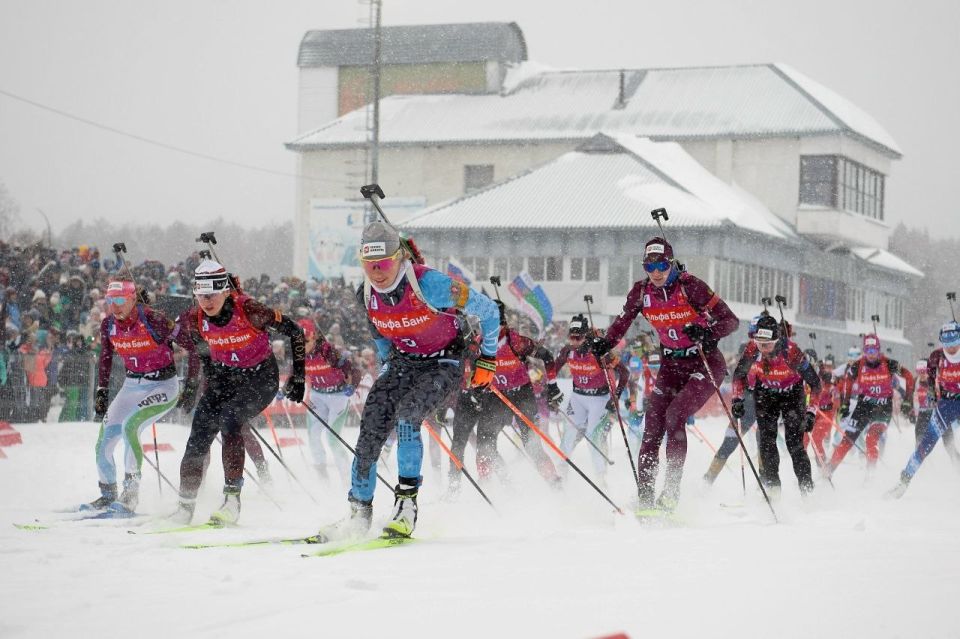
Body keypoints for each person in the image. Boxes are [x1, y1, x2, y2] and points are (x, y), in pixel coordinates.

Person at [590, 237, 739, 511]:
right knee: (652, 427)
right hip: (671, 365)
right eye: (650, 265)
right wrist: (605, 343)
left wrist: (707, 333)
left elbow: (731, 321)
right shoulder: (641, 291)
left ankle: (670, 494)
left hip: (704, 363)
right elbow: (622, 322)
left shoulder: (691, 286)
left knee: (675, 416)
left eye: (661, 264)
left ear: (670, 263)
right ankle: (645, 497)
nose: (656, 271)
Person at [170, 260, 305, 525]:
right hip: (226, 377)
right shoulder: (195, 318)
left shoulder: (250, 309)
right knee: (199, 431)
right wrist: (202, 383)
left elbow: (295, 331)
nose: (206, 302)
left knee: (231, 420)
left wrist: (298, 377)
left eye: (212, 295)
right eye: (201, 295)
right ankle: (185, 507)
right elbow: (202, 351)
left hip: (260, 378)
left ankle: (232, 501)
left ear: (225, 291)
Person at [83, 280, 198, 514]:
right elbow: (105, 357)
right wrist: (102, 391)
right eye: (110, 301)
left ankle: (130, 494)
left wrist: (192, 384)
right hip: (131, 385)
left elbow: (192, 346)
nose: (114, 306)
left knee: (130, 427)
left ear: (133, 299)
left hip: (162, 386)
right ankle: (107, 494)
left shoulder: (153, 318)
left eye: (120, 300)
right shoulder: (108, 325)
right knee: (104, 438)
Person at [473, 301, 564, 486]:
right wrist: (477, 389)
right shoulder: (479, 343)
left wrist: (553, 386)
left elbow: (546, 356)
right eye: (484, 324)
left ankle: (554, 482)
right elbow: (472, 368)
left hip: (522, 395)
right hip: (495, 396)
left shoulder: (516, 341)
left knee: (531, 444)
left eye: (493, 324)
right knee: (484, 441)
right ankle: (488, 482)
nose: (487, 330)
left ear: (502, 323)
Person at [731, 315, 821, 496]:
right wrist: (737, 399)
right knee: (766, 442)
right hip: (766, 393)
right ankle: (773, 490)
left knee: (794, 443)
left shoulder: (791, 352)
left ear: (777, 341)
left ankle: (807, 490)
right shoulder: (752, 349)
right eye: (759, 343)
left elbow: (815, 384)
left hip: (792, 394)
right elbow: (738, 375)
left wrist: (811, 412)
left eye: (768, 344)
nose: (763, 349)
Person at [827, 334, 914, 478]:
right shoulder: (858, 365)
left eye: (874, 351)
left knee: (871, 439)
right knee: (848, 439)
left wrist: (907, 400)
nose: (871, 355)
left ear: (879, 350)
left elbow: (909, 375)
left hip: (882, 407)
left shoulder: (889, 363)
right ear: (864, 351)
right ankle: (829, 470)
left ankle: (870, 474)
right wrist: (845, 404)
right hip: (864, 405)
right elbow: (847, 382)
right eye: (868, 351)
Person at [888, 322, 960, 498]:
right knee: (926, 443)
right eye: (946, 344)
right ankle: (904, 481)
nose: (950, 348)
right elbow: (930, 376)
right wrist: (932, 393)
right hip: (946, 405)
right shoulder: (936, 356)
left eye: (954, 343)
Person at [556, 314, 629, 481]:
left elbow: (625, 373)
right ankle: (560, 471)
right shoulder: (568, 351)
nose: (574, 341)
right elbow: (553, 368)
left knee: (592, 435)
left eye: (578, 337)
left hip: (599, 399)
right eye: (571, 337)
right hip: (578, 397)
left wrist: (615, 397)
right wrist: (550, 388)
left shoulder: (599, 351)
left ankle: (600, 477)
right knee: (569, 433)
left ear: (585, 336)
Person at [300, 317, 359, 481]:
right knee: (313, 436)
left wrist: (352, 385)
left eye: (304, 340)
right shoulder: (299, 353)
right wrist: (287, 389)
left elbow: (352, 369)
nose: (300, 345)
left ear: (313, 337)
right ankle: (323, 478)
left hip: (337, 396)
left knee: (332, 439)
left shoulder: (327, 351)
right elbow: (294, 374)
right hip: (317, 396)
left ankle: (347, 479)